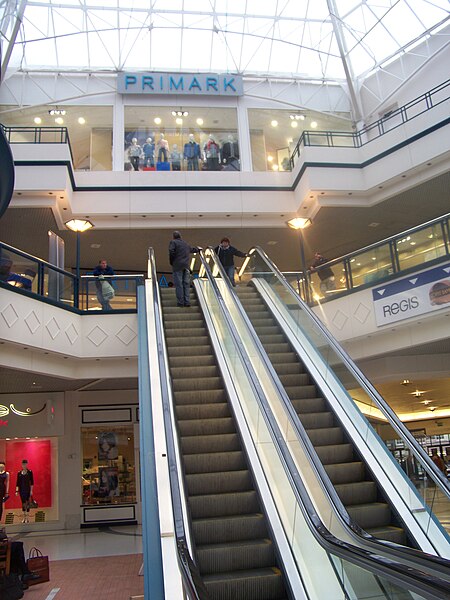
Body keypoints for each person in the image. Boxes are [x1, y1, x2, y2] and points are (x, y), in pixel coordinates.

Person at [168, 231, 200, 307]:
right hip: (186, 266)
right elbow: (192, 249)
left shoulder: (173, 242)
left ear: (173, 237)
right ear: (180, 236)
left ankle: (180, 302)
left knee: (179, 284)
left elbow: (171, 251)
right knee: (186, 284)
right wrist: (198, 249)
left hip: (177, 266)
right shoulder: (185, 243)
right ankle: (187, 301)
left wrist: (172, 261)